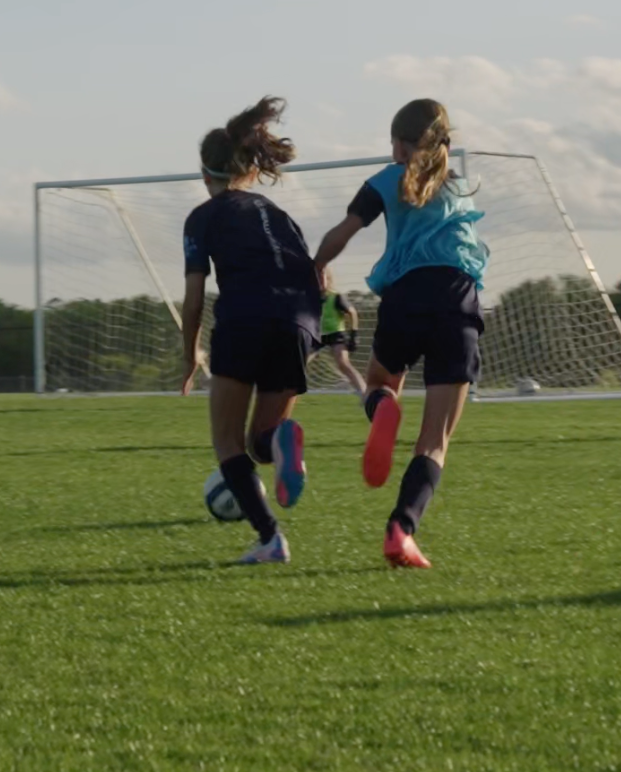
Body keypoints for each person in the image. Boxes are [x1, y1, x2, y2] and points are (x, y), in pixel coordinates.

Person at [314, 98, 489, 569]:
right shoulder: (459, 192)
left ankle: (383, 409)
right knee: (434, 441)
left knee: (378, 385)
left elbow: (342, 232)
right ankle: (401, 531)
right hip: (457, 302)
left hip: (405, 299)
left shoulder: (387, 181)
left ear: (398, 143)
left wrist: (316, 267)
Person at [181, 97, 321, 563]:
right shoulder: (279, 215)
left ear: (206, 175)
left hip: (244, 319)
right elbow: (316, 278)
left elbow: (196, 297)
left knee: (226, 442)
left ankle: (270, 539)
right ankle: (281, 442)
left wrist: (190, 354)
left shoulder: (203, 218)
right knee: (262, 441)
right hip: (300, 321)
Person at [314, 269, 366, 397]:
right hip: (317, 335)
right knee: (300, 364)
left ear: (328, 279)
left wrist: (354, 334)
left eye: (322, 278)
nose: (319, 281)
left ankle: (364, 392)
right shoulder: (310, 298)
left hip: (336, 334)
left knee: (343, 362)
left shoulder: (336, 297)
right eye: (316, 278)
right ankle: (289, 395)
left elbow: (352, 312)